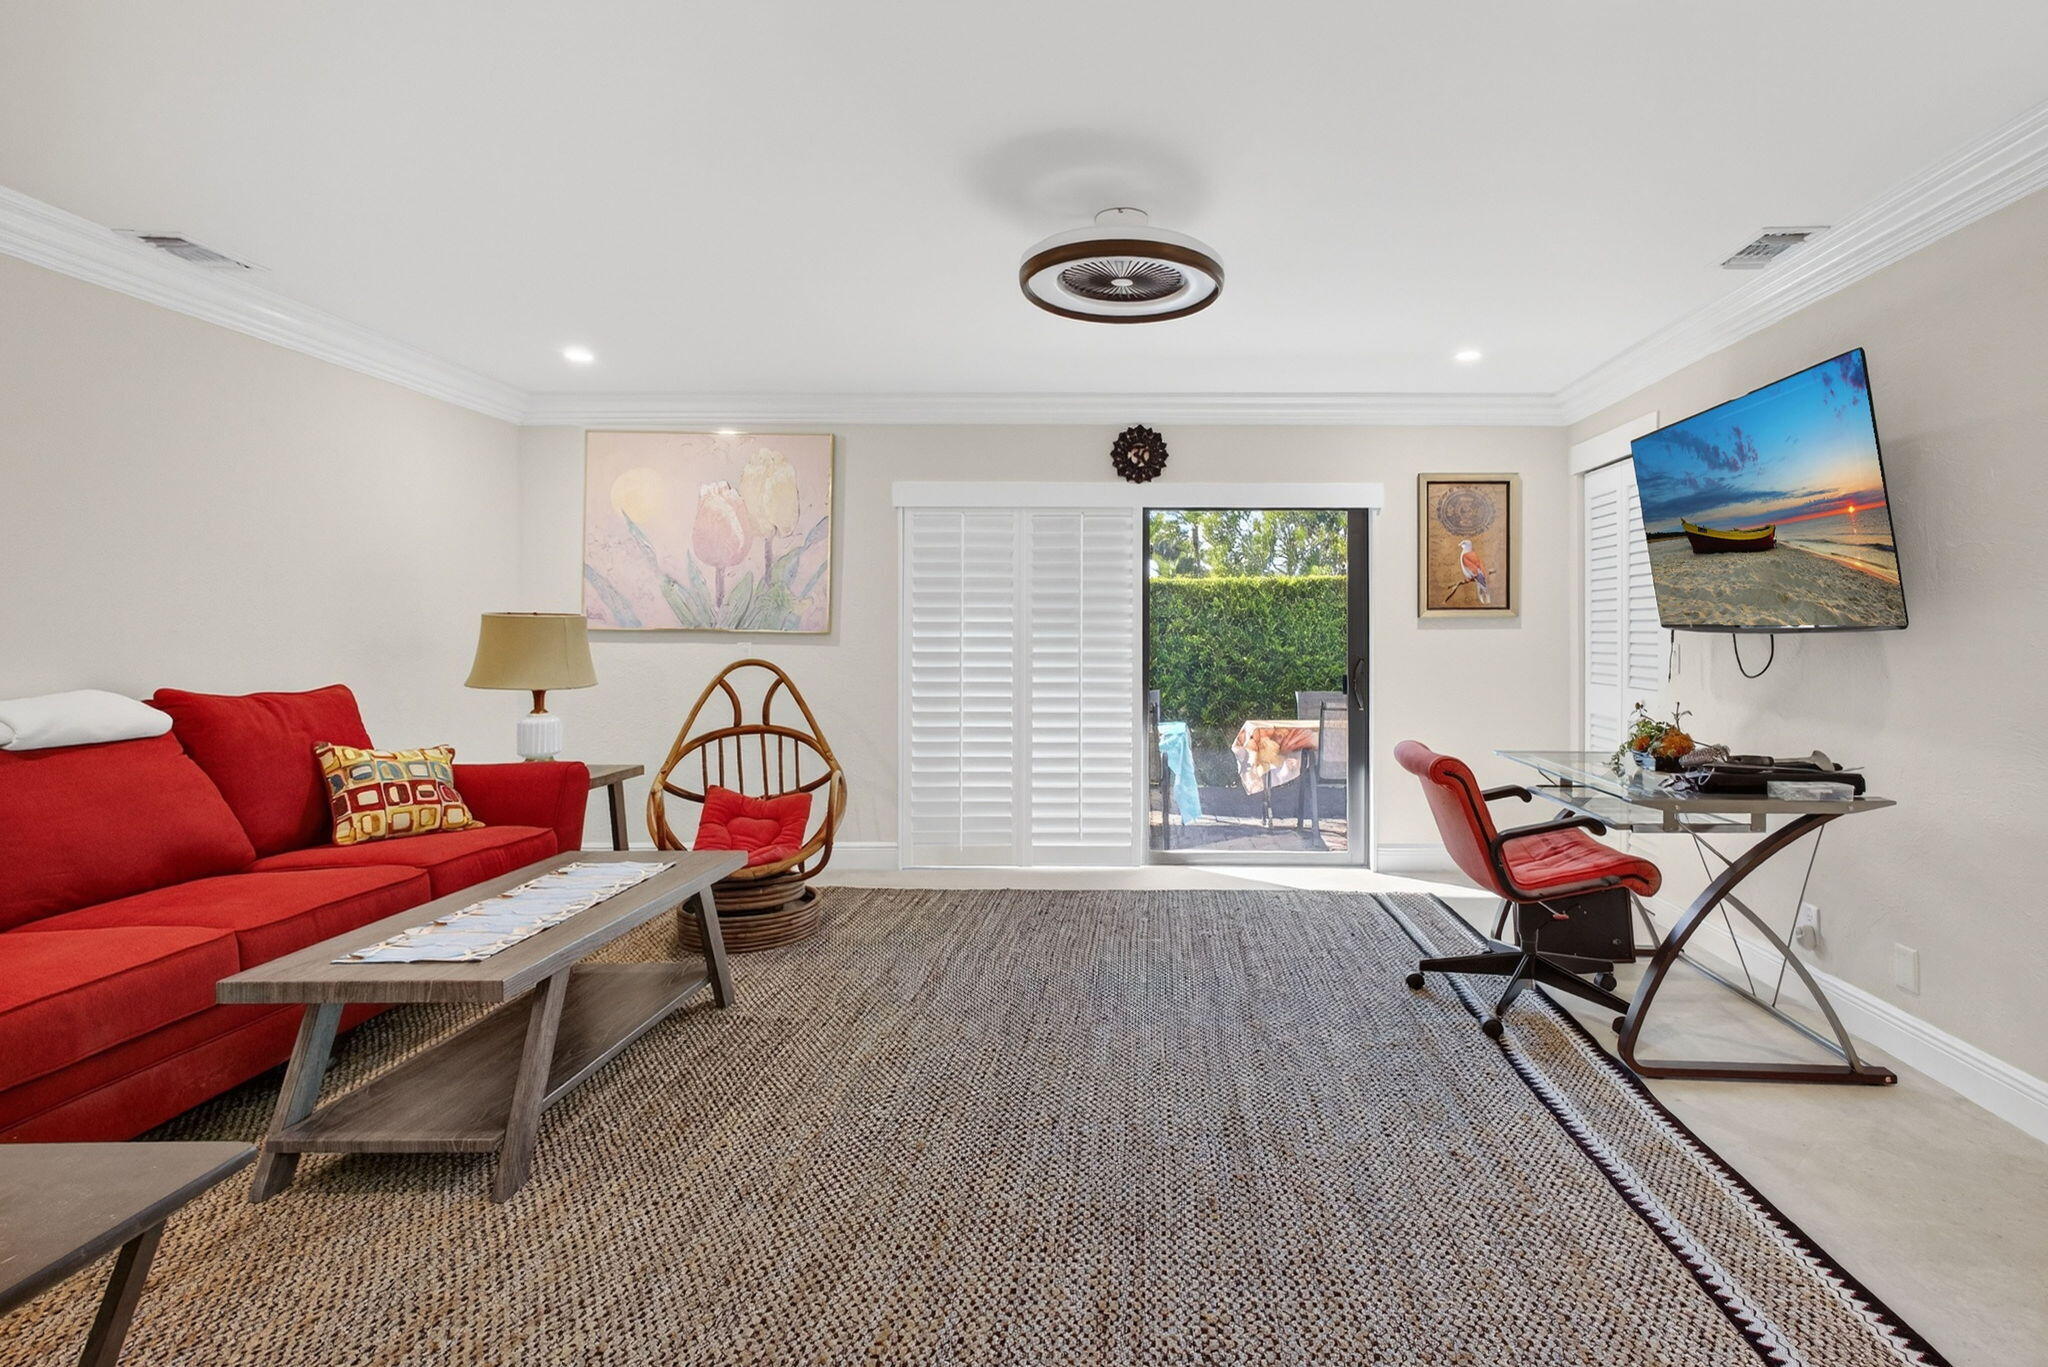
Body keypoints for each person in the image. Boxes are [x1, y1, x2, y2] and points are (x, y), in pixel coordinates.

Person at [1458, 539, 1492, 604]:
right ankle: (1486, 597)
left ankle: (1486, 597)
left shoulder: (1465, 555)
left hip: (1476, 575)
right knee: (1483, 588)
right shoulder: (1473, 554)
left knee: (1482, 588)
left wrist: (1474, 576)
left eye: (1463, 543)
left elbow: (1474, 570)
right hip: (1479, 574)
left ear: (1467, 545)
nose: (1460, 544)